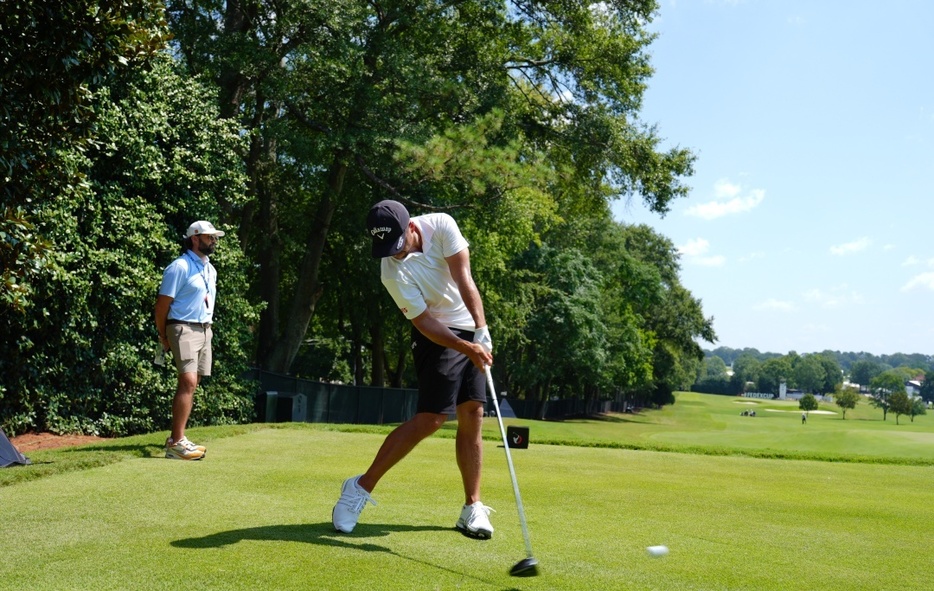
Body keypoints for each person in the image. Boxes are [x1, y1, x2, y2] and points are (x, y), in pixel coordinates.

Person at [332, 200, 495, 538]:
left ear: (410, 226)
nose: (395, 254)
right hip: (436, 333)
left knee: (473, 413)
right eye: (386, 248)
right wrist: (467, 347)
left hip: (469, 328)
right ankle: (359, 488)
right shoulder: (389, 270)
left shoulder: (442, 225)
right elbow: (423, 321)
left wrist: (481, 330)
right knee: (432, 418)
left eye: (398, 244)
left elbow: (464, 277)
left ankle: (472, 507)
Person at [154, 221, 225, 460]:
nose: (214, 241)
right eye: (210, 237)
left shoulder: (210, 269)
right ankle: (176, 443)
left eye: (215, 237)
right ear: (195, 238)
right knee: (188, 382)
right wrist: (163, 335)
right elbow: (162, 305)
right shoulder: (179, 267)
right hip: (182, 327)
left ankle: (177, 437)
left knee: (194, 383)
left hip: (205, 329)